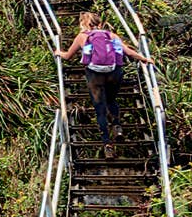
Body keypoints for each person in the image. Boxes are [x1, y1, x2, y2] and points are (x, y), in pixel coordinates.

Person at [55, 12, 154, 159]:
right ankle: (117, 126)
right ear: (100, 24)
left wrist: (59, 52)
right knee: (111, 100)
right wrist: (145, 59)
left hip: (94, 75)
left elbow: (68, 56)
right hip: (114, 73)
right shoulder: (111, 35)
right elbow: (128, 52)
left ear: (83, 24)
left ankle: (107, 145)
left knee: (100, 109)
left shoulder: (82, 37)